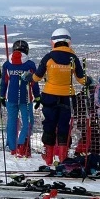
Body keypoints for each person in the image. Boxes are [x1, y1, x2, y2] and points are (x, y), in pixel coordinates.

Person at [24, 28, 86, 165]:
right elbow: (82, 79)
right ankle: (63, 157)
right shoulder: (73, 58)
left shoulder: (48, 57)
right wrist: (90, 81)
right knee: (64, 126)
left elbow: (37, 77)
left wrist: (30, 78)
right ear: (68, 42)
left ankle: (48, 157)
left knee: (49, 125)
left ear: (53, 42)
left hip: (49, 96)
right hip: (68, 98)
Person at [0, 40, 40, 157]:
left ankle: (12, 148)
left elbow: (4, 82)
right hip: (25, 98)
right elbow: (34, 83)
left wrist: (2, 95)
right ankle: (21, 145)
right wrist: (37, 97)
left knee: (12, 121)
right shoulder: (30, 64)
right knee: (28, 121)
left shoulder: (7, 64)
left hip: (10, 98)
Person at [73, 75, 96, 155]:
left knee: (85, 136)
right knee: (88, 136)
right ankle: (82, 151)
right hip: (88, 118)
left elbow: (75, 107)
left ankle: (80, 150)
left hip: (80, 119)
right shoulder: (92, 95)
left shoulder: (79, 96)